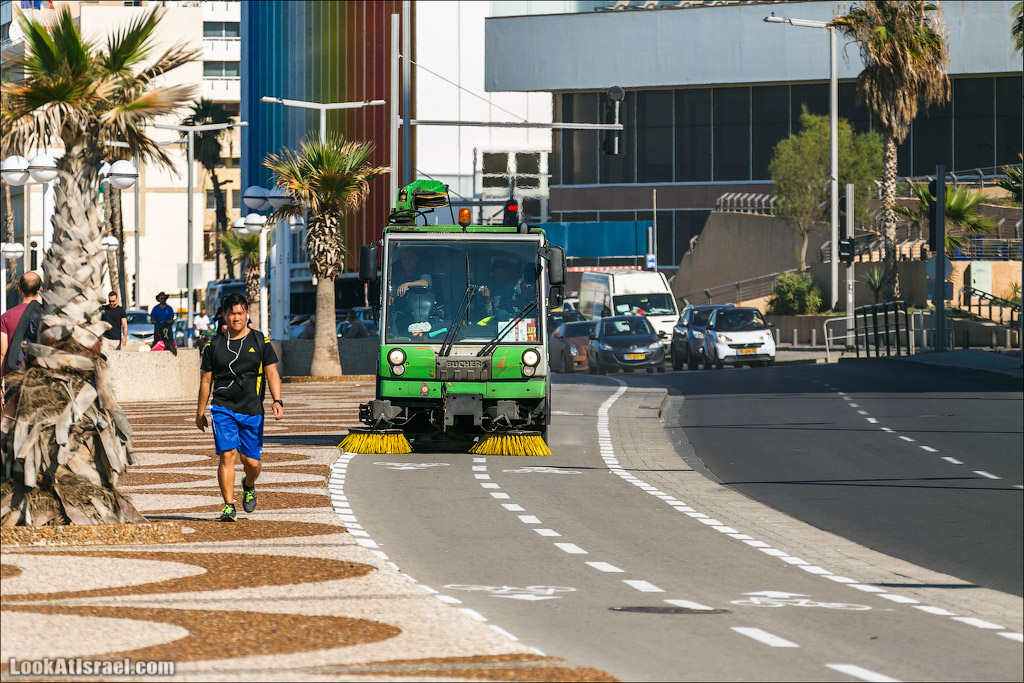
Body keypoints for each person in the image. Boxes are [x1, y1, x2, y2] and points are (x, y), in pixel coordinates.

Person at [196, 293, 283, 522]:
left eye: (240, 313)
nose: (236, 317)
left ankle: (249, 484)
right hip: (223, 408)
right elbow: (206, 380)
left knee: (252, 463)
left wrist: (277, 400)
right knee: (227, 455)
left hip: (252, 410)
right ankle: (228, 505)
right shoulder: (213, 345)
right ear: (225, 315)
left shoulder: (259, 340)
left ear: (247, 314)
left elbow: (272, 372)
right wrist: (200, 413)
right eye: (232, 313)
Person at [1, 272, 43, 431]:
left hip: (14, 379)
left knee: (12, 430)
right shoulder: (46, 315)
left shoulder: (6, 317)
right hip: (41, 381)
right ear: (40, 288)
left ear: (19, 289)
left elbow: (2, 353)